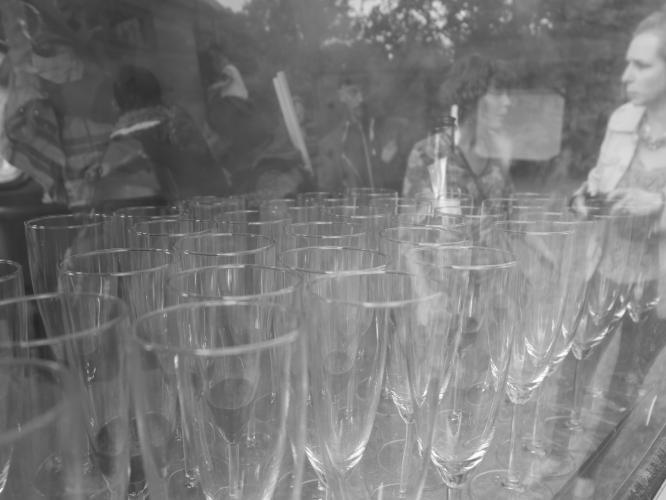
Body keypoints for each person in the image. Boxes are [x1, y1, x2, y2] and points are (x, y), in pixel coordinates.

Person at [570, 9, 666, 412]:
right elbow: (598, 179)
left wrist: (658, 206)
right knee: (571, 374)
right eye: (628, 63)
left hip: (655, 289)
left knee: (623, 390)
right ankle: (560, 448)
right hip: (604, 273)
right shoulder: (621, 120)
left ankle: (603, 456)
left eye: (641, 65)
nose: (626, 76)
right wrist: (585, 198)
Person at [402, 53, 515, 205]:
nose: (507, 101)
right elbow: (414, 218)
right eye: (497, 93)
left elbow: (512, 216)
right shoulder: (428, 154)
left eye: (508, 94)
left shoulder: (497, 155)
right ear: (472, 96)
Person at [109, 64, 230, 202]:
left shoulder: (166, 121)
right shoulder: (163, 117)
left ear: (133, 98)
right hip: (195, 201)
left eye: (118, 99)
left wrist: (120, 168)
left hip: (207, 203)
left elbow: (190, 164)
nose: (114, 105)